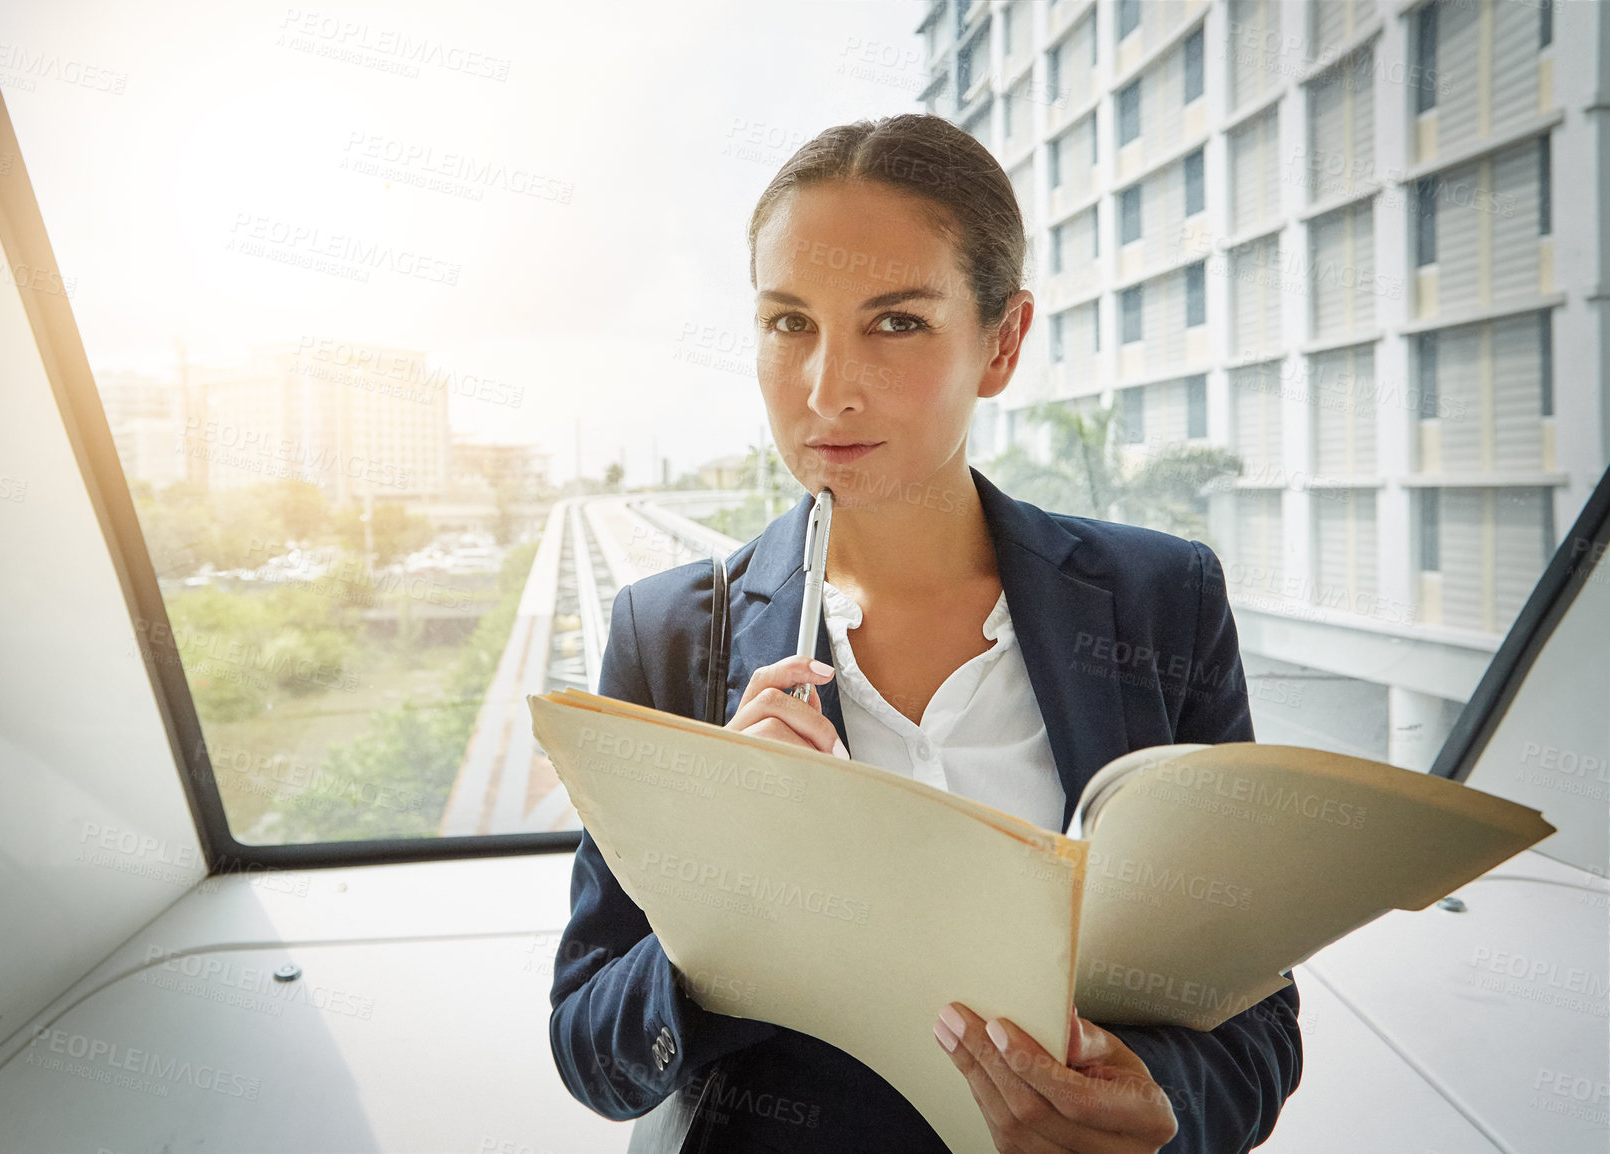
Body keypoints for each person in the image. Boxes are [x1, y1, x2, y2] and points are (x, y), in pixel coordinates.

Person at [548, 113, 1302, 1153]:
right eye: (788, 323)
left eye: (894, 322)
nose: (825, 388)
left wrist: (1157, 1103)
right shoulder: (670, 636)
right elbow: (595, 1054)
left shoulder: (1160, 599)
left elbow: (1252, 1022)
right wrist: (728, 888)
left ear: (1001, 341)